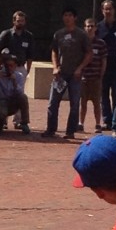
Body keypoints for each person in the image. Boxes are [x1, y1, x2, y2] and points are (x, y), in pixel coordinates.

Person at [43, 7, 92, 140]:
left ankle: (70, 131)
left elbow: (88, 54)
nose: (67, 18)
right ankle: (51, 129)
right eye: (65, 15)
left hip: (75, 75)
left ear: (75, 18)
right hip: (61, 74)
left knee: (75, 103)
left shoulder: (82, 35)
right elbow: (54, 51)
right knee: (53, 103)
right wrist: (55, 67)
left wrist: (80, 68)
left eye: (70, 15)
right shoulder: (58, 34)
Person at [96, 0, 116, 130]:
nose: (108, 11)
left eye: (110, 9)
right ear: (102, 11)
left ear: (114, 10)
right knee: (103, 95)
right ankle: (107, 121)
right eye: (105, 9)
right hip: (102, 66)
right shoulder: (98, 27)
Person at [0, 53, 30, 134]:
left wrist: (14, 82)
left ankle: (24, 123)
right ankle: (1, 122)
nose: (9, 68)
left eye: (11, 66)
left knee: (23, 97)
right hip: (0, 102)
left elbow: (20, 92)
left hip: (12, 102)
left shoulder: (19, 76)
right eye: (7, 66)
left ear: (15, 66)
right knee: (2, 111)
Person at [80, 19, 107, 133]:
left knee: (97, 102)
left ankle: (97, 124)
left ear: (96, 28)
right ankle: (80, 123)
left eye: (92, 26)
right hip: (83, 78)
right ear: (84, 28)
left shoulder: (101, 43)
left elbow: (104, 60)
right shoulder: (81, 43)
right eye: (88, 26)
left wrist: (101, 74)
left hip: (96, 78)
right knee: (82, 102)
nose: (90, 28)